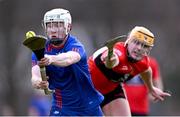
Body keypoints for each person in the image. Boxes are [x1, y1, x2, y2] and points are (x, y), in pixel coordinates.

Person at [31, 8, 104, 116]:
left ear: (68, 27)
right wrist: (38, 83)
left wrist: (51, 59)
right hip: (61, 108)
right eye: (49, 25)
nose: (53, 30)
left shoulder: (75, 45)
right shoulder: (40, 50)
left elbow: (69, 58)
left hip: (88, 106)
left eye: (58, 25)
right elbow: (34, 76)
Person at [88, 26, 171, 116]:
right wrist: (110, 59)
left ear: (148, 51)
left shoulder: (143, 62)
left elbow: (147, 71)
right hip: (86, 87)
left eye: (145, 46)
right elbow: (113, 61)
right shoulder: (119, 52)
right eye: (136, 42)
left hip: (111, 90)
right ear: (128, 41)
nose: (139, 48)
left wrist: (151, 88)